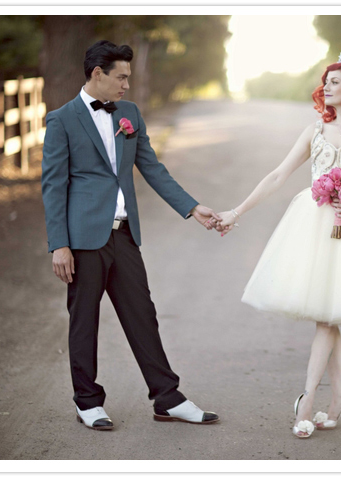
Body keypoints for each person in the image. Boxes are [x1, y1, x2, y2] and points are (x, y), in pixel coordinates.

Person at [212, 53, 341, 438]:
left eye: (335, 82)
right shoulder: (314, 131)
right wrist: (236, 212)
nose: (326, 87)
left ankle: (307, 401)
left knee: (326, 317)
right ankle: (339, 395)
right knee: (327, 315)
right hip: (312, 226)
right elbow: (277, 175)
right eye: (326, 82)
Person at [41, 40, 220, 430]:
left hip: (123, 236)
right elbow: (53, 187)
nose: (126, 85)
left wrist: (193, 207)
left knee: (143, 314)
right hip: (83, 240)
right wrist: (59, 244)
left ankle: (168, 398)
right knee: (84, 321)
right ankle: (88, 402)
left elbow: (152, 168)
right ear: (97, 74)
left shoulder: (130, 114)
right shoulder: (62, 120)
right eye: (121, 77)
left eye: (128, 78)